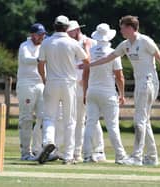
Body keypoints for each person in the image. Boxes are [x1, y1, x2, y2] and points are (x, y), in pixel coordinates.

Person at [80, 15, 160, 166]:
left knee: (139, 120)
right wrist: (89, 65)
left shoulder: (145, 41)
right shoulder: (125, 45)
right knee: (145, 121)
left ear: (130, 28)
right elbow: (108, 58)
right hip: (140, 84)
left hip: (148, 83)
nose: (120, 31)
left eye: (122, 28)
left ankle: (137, 157)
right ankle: (151, 157)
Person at [37, 15, 89, 164]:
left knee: (49, 117)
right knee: (69, 120)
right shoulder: (72, 43)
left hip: (52, 82)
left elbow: (40, 64)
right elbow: (86, 61)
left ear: (54, 26)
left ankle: (48, 142)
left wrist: (44, 79)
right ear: (67, 28)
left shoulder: (46, 43)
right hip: (69, 83)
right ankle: (68, 156)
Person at [82, 23, 127, 163]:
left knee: (90, 123)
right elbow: (119, 77)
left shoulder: (91, 52)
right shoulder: (113, 53)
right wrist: (122, 94)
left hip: (92, 91)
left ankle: (87, 155)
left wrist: (85, 92)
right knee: (112, 126)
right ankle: (120, 156)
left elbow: (85, 73)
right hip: (108, 92)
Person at [67, 20, 105, 162]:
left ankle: (99, 150)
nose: (67, 33)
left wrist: (88, 84)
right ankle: (78, 152)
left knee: (92, 119)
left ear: (76, 30)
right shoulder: (69, 43)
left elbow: (94, 64)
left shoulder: (91, 43)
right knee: (78, 119)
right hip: (74, 86)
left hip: (88, 85)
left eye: (70, 31)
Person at [17, 23, 46, 161]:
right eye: (40, 34)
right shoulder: (24, 46)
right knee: (26, 118)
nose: (42, 37)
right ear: (32, 34)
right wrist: (41, 59)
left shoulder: (44, 45)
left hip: (41, 84)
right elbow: (26, 59)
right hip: (26, 85)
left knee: (43, 118)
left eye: (43, 34)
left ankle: (38, 150)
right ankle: (25, 153)